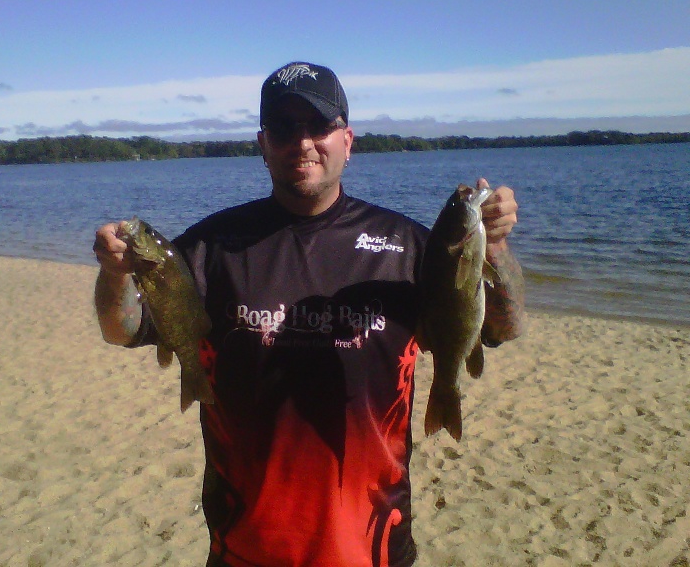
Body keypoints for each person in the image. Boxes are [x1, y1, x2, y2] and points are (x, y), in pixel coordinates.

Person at [94, 62, 525, 567]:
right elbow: (122, 328)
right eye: (283, 127)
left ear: (347, 140)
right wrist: (117, 273)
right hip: (244, 548)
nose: (302, 143)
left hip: (372, 547)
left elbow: (502, 325)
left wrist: (493, 250)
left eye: (318, 126)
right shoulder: (210, 247)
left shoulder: (409, 246)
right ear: (262, 142)